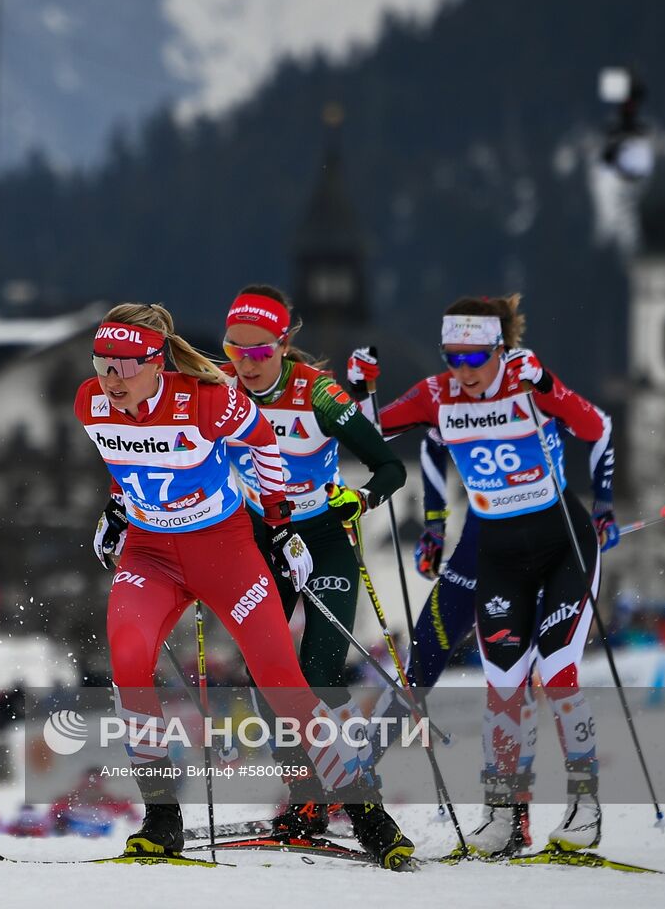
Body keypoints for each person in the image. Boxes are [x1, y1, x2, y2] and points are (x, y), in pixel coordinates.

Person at [76, 302, 412, 869]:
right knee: (129, 664)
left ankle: (366, 813)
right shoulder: (90, 401)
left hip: (224, 549)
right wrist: (117, 507)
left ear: (157, 363)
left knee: (283, 679)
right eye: (102, 363)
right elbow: (121, 455)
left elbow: (262, 442)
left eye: (124, 366)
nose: (110, 379)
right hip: (150, 553)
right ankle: (161, 823)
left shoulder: (206, 397)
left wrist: (280, 526)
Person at [350, 294, 616, 856]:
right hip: (498, 555)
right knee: (502, 687)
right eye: (454, 357)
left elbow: (594, 426)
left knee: (559, 669)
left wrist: (547, 386)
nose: (464, 371)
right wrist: (359, 390)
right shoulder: (436, 394)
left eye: (476, 358)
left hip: (563, 545)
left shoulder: (525, 379)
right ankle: (502, 816)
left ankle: (584, 806)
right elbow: (366, 432)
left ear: (502, 349)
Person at [218, 285, 407, 840]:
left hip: (323, 538)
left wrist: (361, 497)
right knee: (265, 675)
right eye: (234, 351)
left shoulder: (319, 395)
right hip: (259, 542)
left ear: (282, 345)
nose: (246, 365)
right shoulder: (221, 393)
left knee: (321, 674)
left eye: (259, 352)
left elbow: (390, 467)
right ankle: (306, 796)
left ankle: (358, 793)